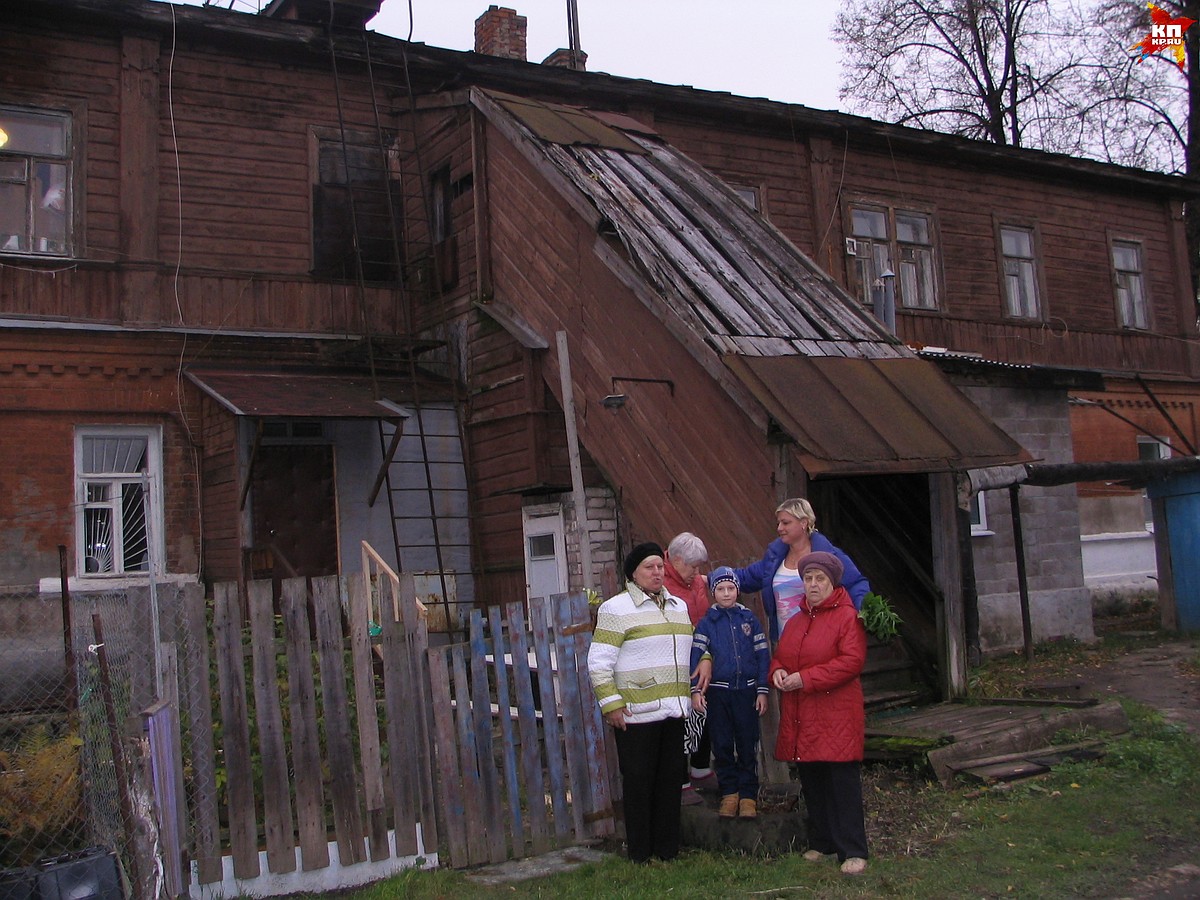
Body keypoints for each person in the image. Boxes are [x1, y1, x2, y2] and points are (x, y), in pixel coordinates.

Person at [588, 541, 694, 863]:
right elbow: (599, 663)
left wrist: (705, 660)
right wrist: (612, 705)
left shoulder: (678, 606)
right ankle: (640, 854)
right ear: (633, 573)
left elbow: (688, 648)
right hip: (636, 713)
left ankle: (667, 850)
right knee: (639, 784)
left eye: (660, 566)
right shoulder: (616, 609)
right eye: (650, 567)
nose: (657, 572)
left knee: (670, 781)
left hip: (674, 710)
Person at [770, 550, 869, 875]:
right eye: (808, 579)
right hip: (804, 714)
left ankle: (853, 849)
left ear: (832, 582)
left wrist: (806, 678)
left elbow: (850, 662)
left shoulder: (847, 617)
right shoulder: (797, 621)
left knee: (842, 783)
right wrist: (778, 673)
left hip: (836, 714)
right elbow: (782, 656)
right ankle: (823, 842)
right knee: (813, 780)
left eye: (819, 579)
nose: (813, 584)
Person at [689, 566, 769, 819]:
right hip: (718, 693)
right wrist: (696, 691)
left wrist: (762, 689)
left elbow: (763, 656)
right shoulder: (707, 623)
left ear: (737, 590)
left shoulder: (749, 620)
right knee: (722, 745)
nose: (726, 593)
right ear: (713, 593)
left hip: (745, 691)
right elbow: (695, 656)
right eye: (721, 589)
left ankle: (748, 796)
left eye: (731, 588)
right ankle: (729, 793)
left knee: (747, 744)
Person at [734, 497, 870, 642]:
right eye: (779, 523)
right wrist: (711, 579)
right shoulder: (774, 559)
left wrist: (860, 614)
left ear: (804, 523)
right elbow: (747, 577)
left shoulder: (830, 556)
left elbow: (856, 584)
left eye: (786, 523)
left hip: (822, 642)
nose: (779, 528)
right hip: (784, 642)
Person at [664, 531, 714, 804]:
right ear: (677, 559)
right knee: (681, 718)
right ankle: (680, 780)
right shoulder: (662, 582)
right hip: (676, 658)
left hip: (700, 654)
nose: (698, 572)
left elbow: (704, 615)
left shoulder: (695, 581)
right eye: (693, 566)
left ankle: (701, 768)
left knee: (703, 708)